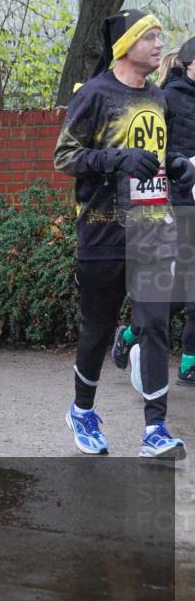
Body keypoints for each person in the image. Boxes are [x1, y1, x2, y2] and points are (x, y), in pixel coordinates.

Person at [54, 10, 194, 458]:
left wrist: (173, 166)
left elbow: (156, 150)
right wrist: (116, 160)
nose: (159, 44)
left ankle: (155, 430)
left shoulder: (159, 97)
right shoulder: (95, 94)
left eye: (159, 36)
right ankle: (82, 410)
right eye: (150, 37)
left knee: (154, 325)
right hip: (102, 232)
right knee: (96, 329)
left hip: (151, 230)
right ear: (126, 45)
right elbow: (65, 156)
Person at [113, 37, 195, 383]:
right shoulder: (169, 98)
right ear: (189, 63)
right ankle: (132, 333)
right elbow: (155, 152)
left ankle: (188, 362)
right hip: (179, 202)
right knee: (180, 289)